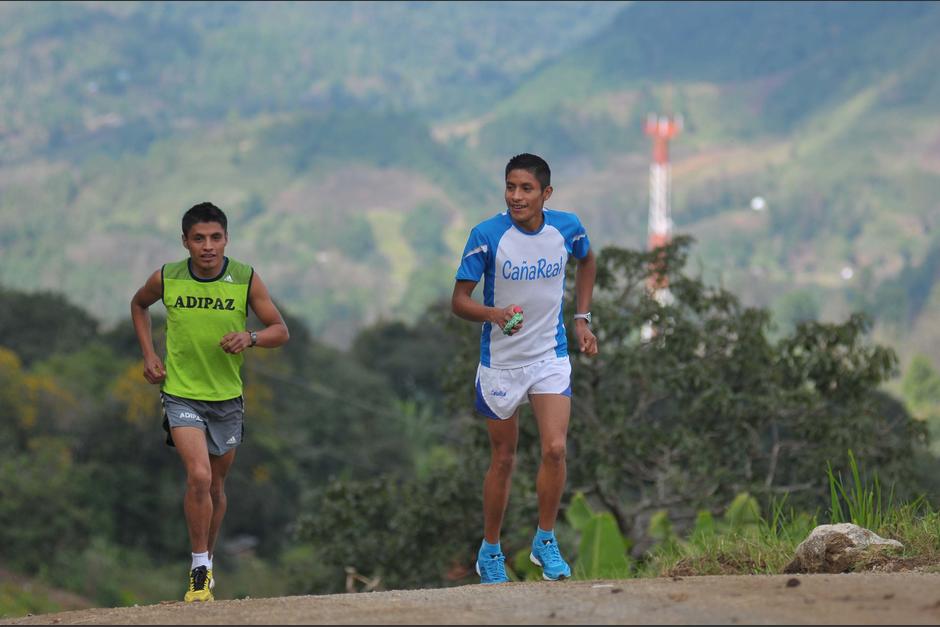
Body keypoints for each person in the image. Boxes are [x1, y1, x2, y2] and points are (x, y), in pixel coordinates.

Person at [130, 202, 289, 602]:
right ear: (185, 242)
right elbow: (139, 304)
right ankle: (198, 568)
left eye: (215, 238)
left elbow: (280, 330)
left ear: (226, 240)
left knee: (216, 486)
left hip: (227, 399)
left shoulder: (245, 279)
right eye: (198, 238)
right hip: (181, 393)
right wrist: (149, 353)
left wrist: (250, 338)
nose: (207, 246)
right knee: (198, 476)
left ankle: (208, 561)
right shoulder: (167, 278)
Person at [452, 153, 598, 584]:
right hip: (501, 364)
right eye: (511, 187)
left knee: (555, 449)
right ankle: (491, 549)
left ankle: (545, 539)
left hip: (548, 356)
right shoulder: (486, 235)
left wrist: (582, 318)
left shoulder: (566, 228)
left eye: (526, 189)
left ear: (545, 194)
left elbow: (588, 261)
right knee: (504, 458)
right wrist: (494, 314)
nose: (516, 196)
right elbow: (459, 301)